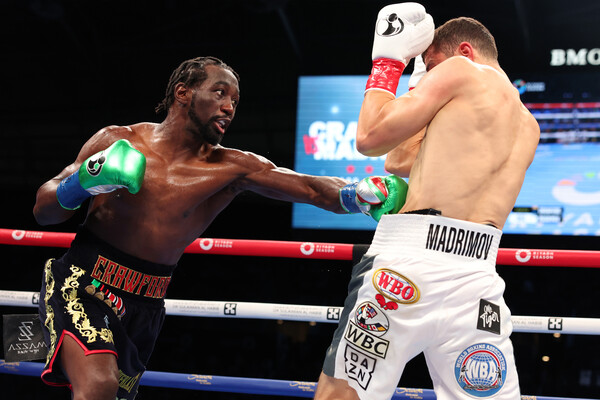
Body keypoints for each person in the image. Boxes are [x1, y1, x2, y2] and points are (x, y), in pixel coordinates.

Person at [32, 56, 407, 400]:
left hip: (146, 302)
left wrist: (358, 194)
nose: (229, 107)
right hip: (83, 284)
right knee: (98, 385)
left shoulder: (231, 168)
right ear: (183, 93)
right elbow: (43, 211)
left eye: (235, 101)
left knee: (112, 394)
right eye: (219, 93)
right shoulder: (119, 140)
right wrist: (83, 181)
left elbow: (310, 188)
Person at [314, 3, 540, 400]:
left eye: (430, 66)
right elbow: (398, 160)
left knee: (343, 395)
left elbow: (369, 138)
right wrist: (422, 82)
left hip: (406, 267)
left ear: (464, 52)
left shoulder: (462, 71)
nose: (429, 76)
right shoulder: (528, 125)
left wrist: (389, 64)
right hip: (477, 280)